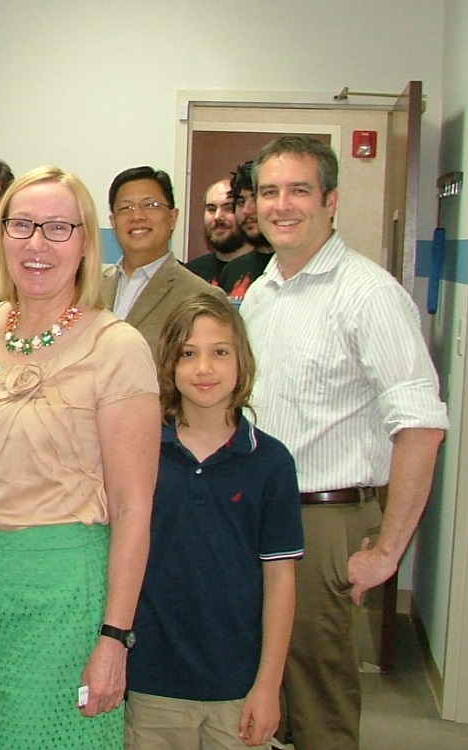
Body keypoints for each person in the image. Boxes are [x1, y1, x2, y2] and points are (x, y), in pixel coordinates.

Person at [241, 135, 448, 749]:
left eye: (299, 190)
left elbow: (422, 427)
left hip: (321, 523)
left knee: (316, 702)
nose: (282, 205)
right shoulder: (263, 290)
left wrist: (387, 552)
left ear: (330, 201)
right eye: (269, 191)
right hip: (255, 517)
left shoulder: (369, 294)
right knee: (262, 695)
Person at [0, 166, 159, 748]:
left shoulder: (116, 346)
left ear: (87, 243)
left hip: (68, 596)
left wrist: (114, 637)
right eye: (21, 225)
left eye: (57, 228)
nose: (36, 243)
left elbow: (134, 507)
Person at [126, 292, 303, 750]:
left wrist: (268, 685)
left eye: (219, 352)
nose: (204, 368)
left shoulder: (271, 463)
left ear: (241, 360)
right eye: (188, 354)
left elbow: (280, 577)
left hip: (238, 686)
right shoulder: (144, 451)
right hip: (151, 681)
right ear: (169, 364)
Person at [102, 166, 226, 355]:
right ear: (113, 222)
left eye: (150, 205)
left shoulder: (202, 297)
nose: (137, 216)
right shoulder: (87, 289)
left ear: (172, 218)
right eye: (126, 208)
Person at [219, 160, 273, 305]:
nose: (247, 211)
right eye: (241, 202)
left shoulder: (294, 268)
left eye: (255, 199)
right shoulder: (232, 269)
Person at [186, 178, 249, 285]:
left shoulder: (267, 271)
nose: (218, 217)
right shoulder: (190, 275)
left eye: (229, 208)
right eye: (211, 209)